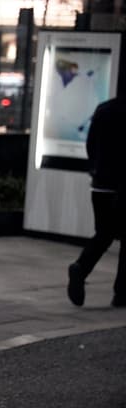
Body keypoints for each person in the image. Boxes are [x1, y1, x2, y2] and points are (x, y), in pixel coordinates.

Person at [67, 95, 126, 307]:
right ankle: (121, 292)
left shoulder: (103, 109)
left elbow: (91, 144)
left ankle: (81, 268)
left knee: (104, 234)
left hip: (100, 185)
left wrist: (96, 169)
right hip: (121, 185)